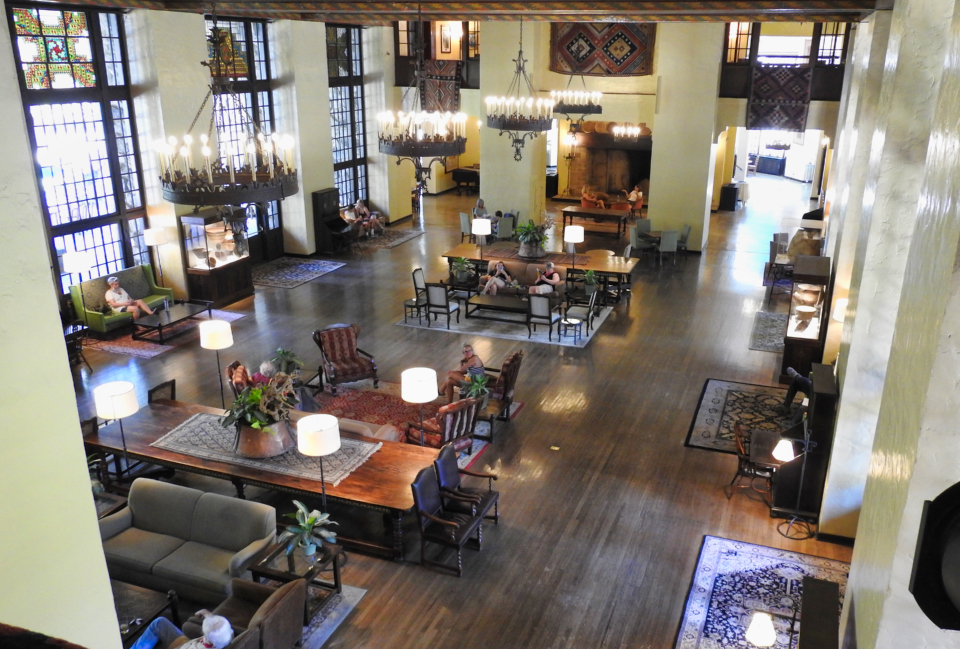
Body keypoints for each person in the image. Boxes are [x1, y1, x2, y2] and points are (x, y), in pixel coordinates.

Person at [130, 611, 233, 649]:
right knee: (160, 622)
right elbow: (218, 626)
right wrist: (207, 614)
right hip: (188, 644)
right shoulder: (226, 637)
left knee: (158, 624)